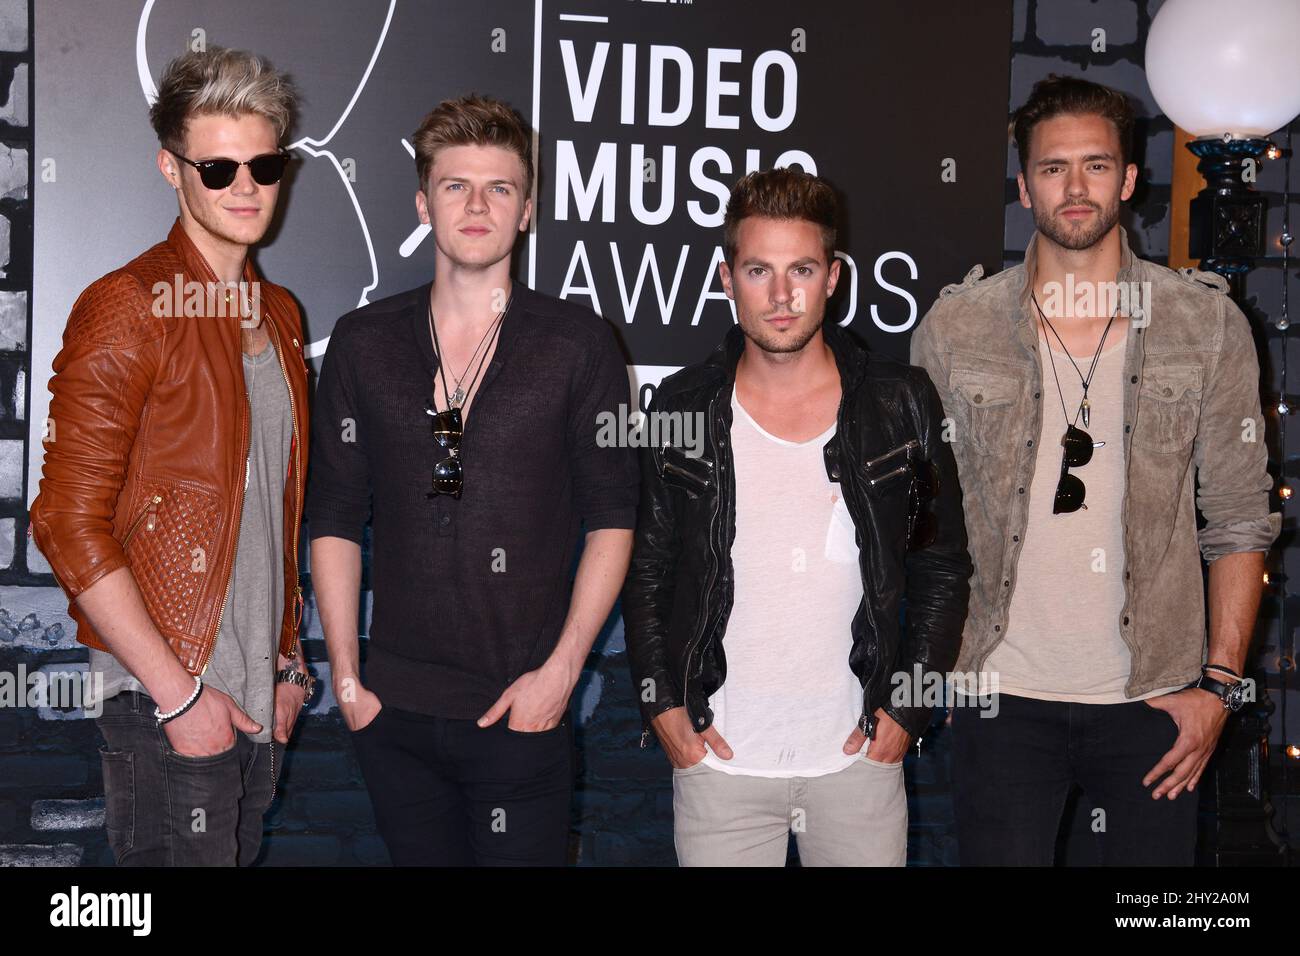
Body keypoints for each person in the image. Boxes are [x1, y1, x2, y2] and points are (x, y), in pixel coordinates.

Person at [910, 74, 1280, 865]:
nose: (1075, 189)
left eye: (1095, 166)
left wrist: (1217, 689)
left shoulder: (1205, 324)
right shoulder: (958, 327)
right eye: (1052, 169)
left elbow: (1241, 517)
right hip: (1000, 693)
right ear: (1023, 185)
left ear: (1130, 179)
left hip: (1156, 699)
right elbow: (925, 516)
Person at [307, 94, 639, 866]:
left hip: (519, 713)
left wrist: (561, 674)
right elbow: (332, 515)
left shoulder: (579, 345)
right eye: (456, 185)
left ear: (528, 209)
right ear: (424, 203)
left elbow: (613, 519)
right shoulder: (364, 342)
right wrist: (348, 683)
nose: (478, 204)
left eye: (500, 188)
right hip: (392, 718)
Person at [623, 168, 971, 866]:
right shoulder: (680, 408)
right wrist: (662, 706)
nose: (782, 296)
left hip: (857, 766)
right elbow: (648, 573)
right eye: (759, 270)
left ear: (833, 276)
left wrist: (907, 710)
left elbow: (942, 565)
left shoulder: (902, 402)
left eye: (802, 269)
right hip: (718, 763)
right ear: (727, 278)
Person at [29, 47, 313, 866]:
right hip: (169, 702)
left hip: (257, 703)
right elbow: (64, 520)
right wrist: (179, 696)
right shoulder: (130, 304)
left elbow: (274, 507)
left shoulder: (283, 316)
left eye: (265, 164)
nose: (246, 187)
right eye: (217, 168)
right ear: (171, 168)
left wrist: (291, 666)